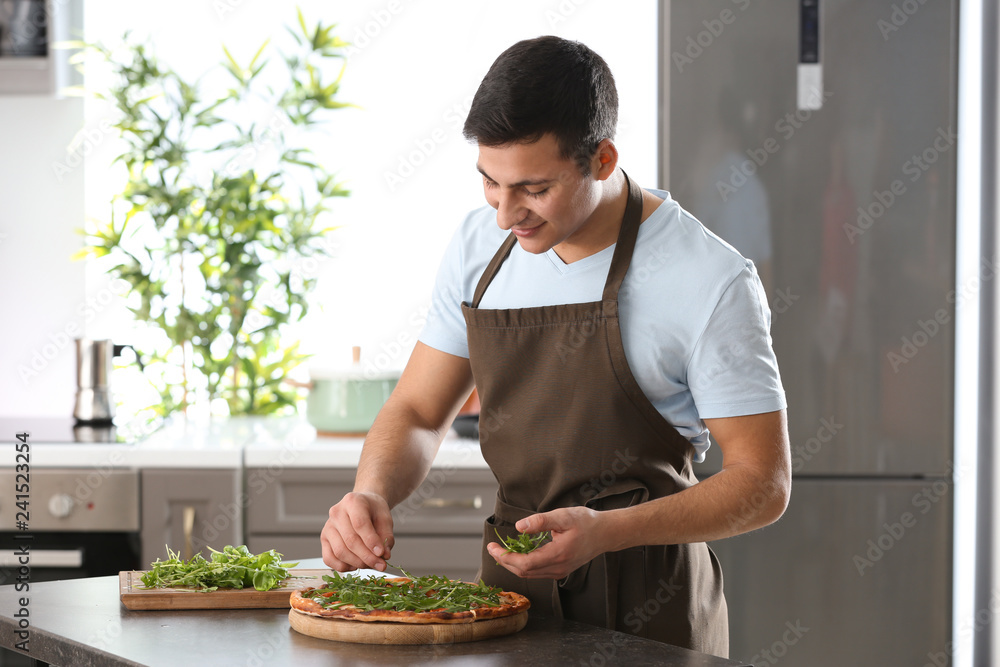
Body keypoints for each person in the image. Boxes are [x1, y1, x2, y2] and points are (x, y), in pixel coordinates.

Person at [320, 36, 790, 658]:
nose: (505, 215)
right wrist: (371, 492)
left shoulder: (707, 278)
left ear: (601, 159)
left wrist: (605, 533)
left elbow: (764, 482)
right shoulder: (476, 249)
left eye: (534, 189)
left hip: (649, 615)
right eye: (490, 182)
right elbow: (417, 411)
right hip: (509, 607)